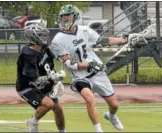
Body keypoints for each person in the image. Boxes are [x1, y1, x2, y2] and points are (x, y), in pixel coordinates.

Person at [49, 4, 139, 132]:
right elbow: (69, 64)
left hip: (97, 73)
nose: (65, 19)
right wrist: (89, 64)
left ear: (75, 17)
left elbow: (103, 40)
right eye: (63, 16)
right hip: (80, 76)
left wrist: (125, 39)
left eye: (67, 16)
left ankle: (111, 116)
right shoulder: (57, 40)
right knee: (90, 99)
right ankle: (98, 130)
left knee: (114, 105)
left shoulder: (85, 30)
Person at [16, 23, 66, 133]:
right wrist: (54, 78)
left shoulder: (44, 47)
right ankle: (33, 122)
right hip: (28, 86)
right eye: (41, 35)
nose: (45, 37)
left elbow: (50, 63)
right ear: (34, 38)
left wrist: (55, 80)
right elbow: (35, 80)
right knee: (48, 104)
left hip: (44, 83)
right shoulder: (27, 54)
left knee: (58, 110)